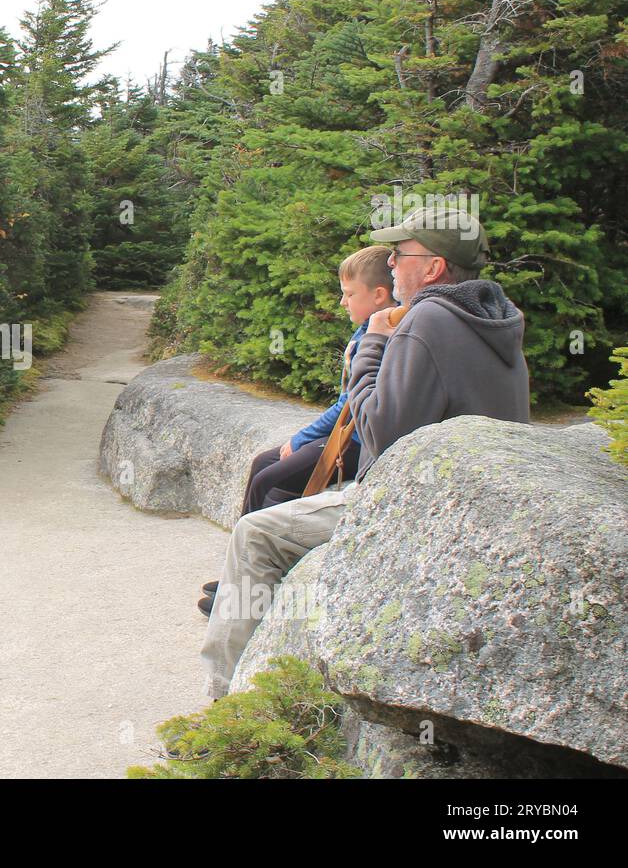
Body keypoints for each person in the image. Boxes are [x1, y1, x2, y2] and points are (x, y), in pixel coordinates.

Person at [198, 206, 530, 699]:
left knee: (256, 533)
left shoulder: (429, 319)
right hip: (469, 502)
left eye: (400, 255)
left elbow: (380, 431)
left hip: (416, 506)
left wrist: (373, 343)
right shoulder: (492, 316)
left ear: (434, 267)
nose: (392, 263)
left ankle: (225, 701)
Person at [197, 246, 396, 618]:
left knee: (269, 478)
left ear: (379, 295)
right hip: (344, 434)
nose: (342, 302)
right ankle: (236, 577)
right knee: (261, 464)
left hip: (355, 444)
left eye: (350, 294)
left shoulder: (380, 337)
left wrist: (301, 439)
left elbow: (349, 405)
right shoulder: (364, 332)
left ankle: (246, 590)